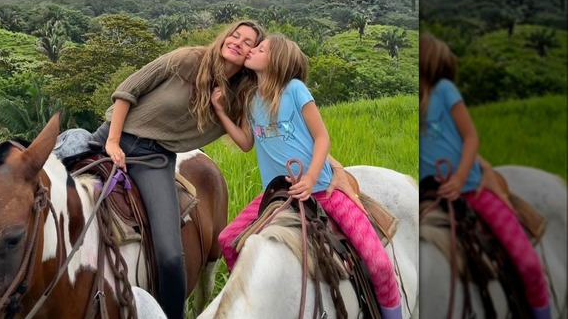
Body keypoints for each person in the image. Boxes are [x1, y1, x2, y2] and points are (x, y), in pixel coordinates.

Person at [213, 34, 402, 319]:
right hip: (277, 195)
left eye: (260, 48)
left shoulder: (296, 90)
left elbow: (322, 137)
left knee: (379, 264)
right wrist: (220, 111)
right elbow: (245, 142)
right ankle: (249, 302)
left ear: (275, 61)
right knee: (227, 240)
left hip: (323, 189)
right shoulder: (250, 98)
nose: (252, 49)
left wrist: (312, 178)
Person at [89, 20, 266, 319]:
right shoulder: (187, 60)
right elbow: (126, 90)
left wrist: (220, 109)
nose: (237, 41)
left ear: (252, 55)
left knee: (171, 256)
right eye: (235, 35)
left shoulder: (241, 96)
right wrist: (113, 141)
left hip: (153, 159)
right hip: (111, 137)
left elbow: (246, 141)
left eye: (248, 41)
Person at [418, 33, 550, 319]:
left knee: (527, 263)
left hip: (468, 189)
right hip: (428, 192)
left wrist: (461, 177)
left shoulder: (444, 91)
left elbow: (471, 137)